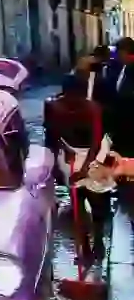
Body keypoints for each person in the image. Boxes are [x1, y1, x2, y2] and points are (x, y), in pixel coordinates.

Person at [45, 73, 114, 258]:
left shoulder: (93, 109)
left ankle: (98, 239)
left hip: (96, 153)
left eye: (77, 96)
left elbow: (97, 140)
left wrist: (85, 169)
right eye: (69, 96)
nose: (73, 101)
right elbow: (53, 135)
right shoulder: (54, 107)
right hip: (70, 154)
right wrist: (60, 158)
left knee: (97, 200)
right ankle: (83, 244)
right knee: (77, 199)